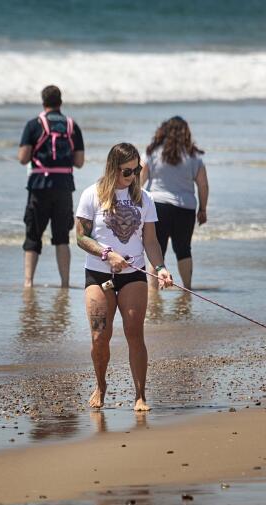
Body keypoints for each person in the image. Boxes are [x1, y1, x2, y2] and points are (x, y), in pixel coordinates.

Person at [74, 142, 172, 412]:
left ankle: (140, 395)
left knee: (134, 332)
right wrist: (107, 253)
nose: (133, 176)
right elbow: (80, 236)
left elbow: (150, 241)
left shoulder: (145, 199)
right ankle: (101, 385)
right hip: (98, 273)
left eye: (137, 170)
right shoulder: (92, 195)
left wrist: (161, 267)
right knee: (99, 336)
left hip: (134, 274)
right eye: (127, 171)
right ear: (113, 169)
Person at [18, 84, 85, 288]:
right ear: (60, 102)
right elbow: (80, 162)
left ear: (43, 102)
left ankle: (29, 282)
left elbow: (23, 158)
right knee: (62, 237)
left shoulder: (33, 125)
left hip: (39, 186)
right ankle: (65, 282)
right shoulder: (72, 126)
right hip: (64, 186)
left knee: (33, 235)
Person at [141, 116, 208, 289]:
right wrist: (203, 209)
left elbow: (140, 179)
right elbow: (203, 184)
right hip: (185, 207)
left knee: (156, 247)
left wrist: (134, 203)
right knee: (184, 249)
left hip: (158, 205)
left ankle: (153, 291)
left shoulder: (152, 153)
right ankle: (187, 288)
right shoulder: (194, 157)